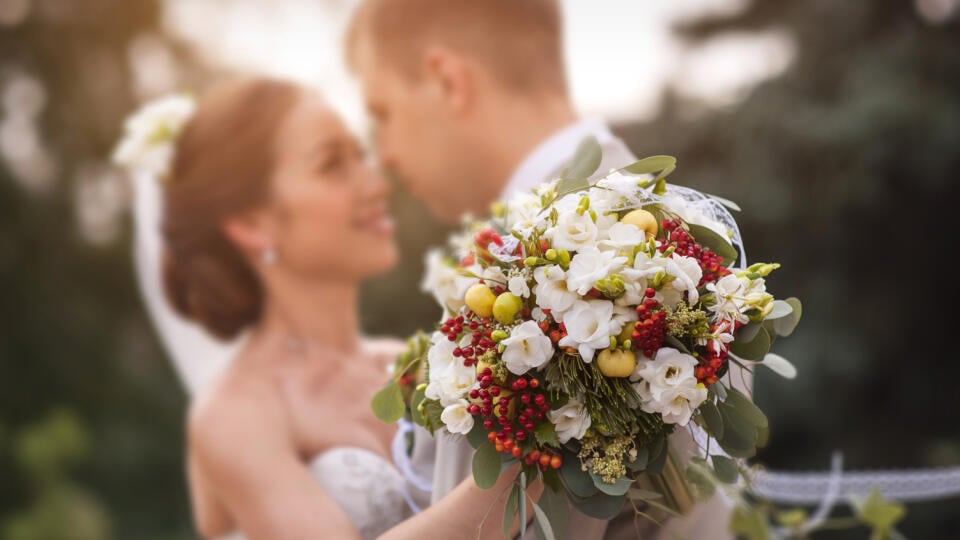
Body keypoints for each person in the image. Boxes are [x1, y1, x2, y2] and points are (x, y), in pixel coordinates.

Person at [345, 0, 744, 538]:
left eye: (383, 113)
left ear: (447, 81)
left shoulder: (598, 258)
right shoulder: (655, 230)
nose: (384, 154)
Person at [120, 77, 539, 540]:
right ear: (251, 223)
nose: (376, 183)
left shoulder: (409, 361)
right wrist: (535, 459)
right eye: (332, 165)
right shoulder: (234, 413)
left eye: (362, 155)